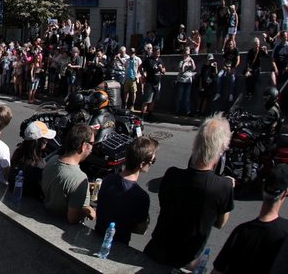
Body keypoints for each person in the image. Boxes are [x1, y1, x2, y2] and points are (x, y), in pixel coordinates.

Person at [144, 113, 235, 268]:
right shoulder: (223, 186)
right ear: (221, 149)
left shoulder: (171, 175)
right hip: (186, 261)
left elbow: (165, 203)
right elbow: (220, 223)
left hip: (155, 251)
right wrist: (228, 189)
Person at [212, 164, 288, 274]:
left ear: (263, 188)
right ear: (284, 193)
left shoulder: (241, 232)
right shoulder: (284, 233)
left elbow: (217, 271)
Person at [94, 136, 159, 246]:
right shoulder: (140, 196)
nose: (152, 164)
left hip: (96, 236)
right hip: (118, 245)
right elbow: (141, 229)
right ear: (142, 164)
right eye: (153, 161)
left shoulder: (107, 180)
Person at [41, 123, 97, 224]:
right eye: (92, 143)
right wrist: (89, 210)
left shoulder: (52, 160)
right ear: (83, 146)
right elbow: (73, 218)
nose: (93, 148)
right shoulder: (79, 179)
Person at [6, 120, 55, 202]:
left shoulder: (18, 154)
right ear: (39, 142)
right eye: (45, 139)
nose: (47, 141)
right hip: (32, 202)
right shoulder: (39, 165)